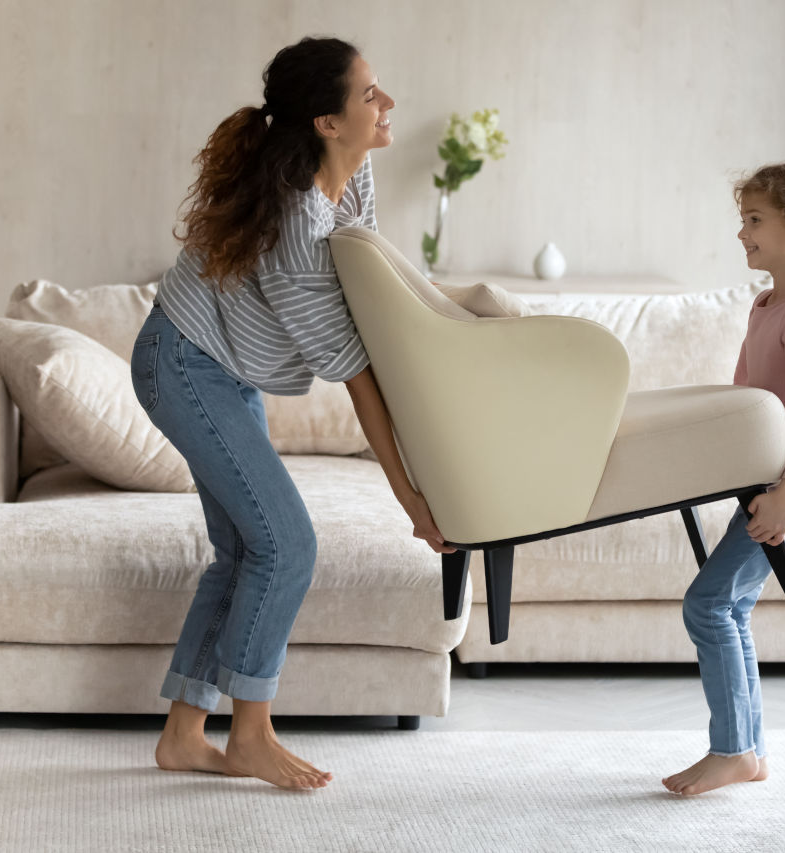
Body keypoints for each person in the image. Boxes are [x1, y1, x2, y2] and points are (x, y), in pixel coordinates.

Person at [130, 36, 455, 791]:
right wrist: (410, 496)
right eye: (369, 94)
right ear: (326, 122)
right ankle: (251, 733)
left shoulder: (353, 179)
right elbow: (357, 375)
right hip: (184, 365)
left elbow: (374, 297)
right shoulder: (297, 229)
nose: (388, 103)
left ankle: (184, 734)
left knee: (247, 549)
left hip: (218, 366)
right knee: (287, 544)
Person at [662, 162, 785, 796]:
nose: (742, 233)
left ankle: (732, 751)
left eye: (755, 221)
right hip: (766, 485)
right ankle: (748, 753)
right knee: (732, 606)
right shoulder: (766, 303)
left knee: (708, 603)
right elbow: (747, 396)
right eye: (742, 220)